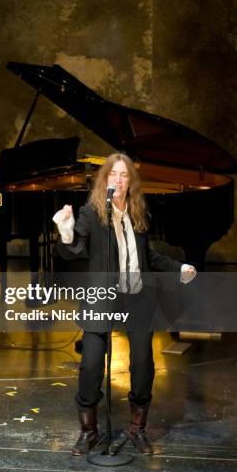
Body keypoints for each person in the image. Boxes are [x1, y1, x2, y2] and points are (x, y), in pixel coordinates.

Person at [53, 153, 196, 455]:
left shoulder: (138, 213)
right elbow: (73, 248)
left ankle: (137, 428)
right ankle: (89, 431)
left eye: (124, 175)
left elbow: (149, 257)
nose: (118, 180)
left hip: (137, 298)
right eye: (113, 175)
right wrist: (65, 230)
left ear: (131, 182)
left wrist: (178, 268)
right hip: (102, 298)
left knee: (143, 363)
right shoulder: (92, 212)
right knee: (91, 364)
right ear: (104, 179)